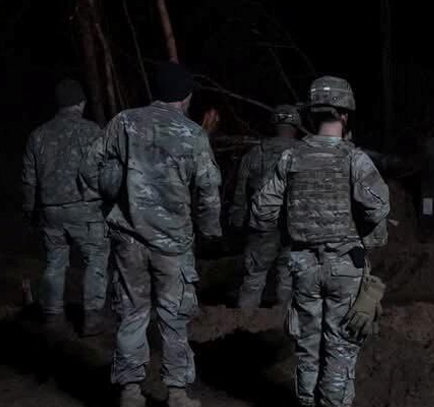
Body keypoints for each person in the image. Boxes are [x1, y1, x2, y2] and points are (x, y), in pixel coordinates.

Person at [87, 62, 222, 407]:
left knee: (132, 312)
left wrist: (112, 195)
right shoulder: (193, 134)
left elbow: (90, 167)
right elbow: (208, 190)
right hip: (173, 244)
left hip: (128, 238)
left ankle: (130, 391)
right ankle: (177, 392)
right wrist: (209, 231)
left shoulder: (123, 122)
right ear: (185, 97)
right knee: (173, 315)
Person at [251, 76, 389, 407]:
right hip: (344, 266)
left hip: (302, 267)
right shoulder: (355, 159)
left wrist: (292, 226)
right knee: (340, 348)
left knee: (308, 347)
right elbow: (379, 206)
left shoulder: (291, 158)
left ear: (311, 115)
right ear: (345, 114)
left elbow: (261, 212)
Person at [21, 78, 110, 335]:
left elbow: (28, 179)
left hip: (51, 211)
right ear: (80, 103)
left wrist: (30, 210)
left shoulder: (37, 135)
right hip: (86, 210)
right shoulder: (93, 131)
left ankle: (52, 315)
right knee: (95, 258)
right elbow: (106, 173)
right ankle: (92, 316)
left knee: (55, 261)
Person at [231, 104, 300, 308]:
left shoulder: (256, 152)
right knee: (288, 280)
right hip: (293, 228)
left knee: (253, 279)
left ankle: (242, 328)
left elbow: (240, 192)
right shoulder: (304, 153)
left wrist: (237, 219)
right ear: (296, 125)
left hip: (262, 226)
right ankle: (283, 330)